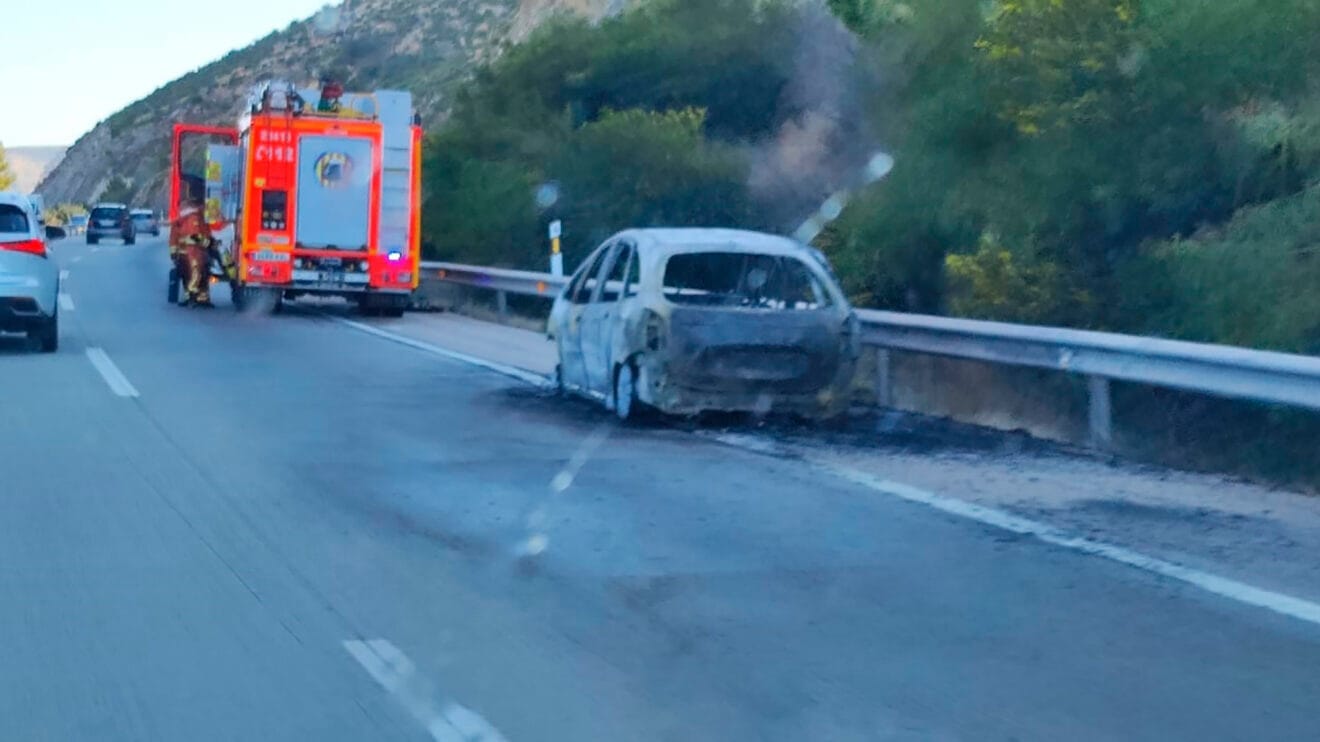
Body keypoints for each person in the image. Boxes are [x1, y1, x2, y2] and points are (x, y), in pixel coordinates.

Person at [169, 197, 215, 308]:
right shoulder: (194, 218)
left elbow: (173, 238)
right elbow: (195, 237)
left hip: (184, 254)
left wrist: (174, 253)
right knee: (198, 275)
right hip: (194, 252)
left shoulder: (180, 220)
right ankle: (195, 297)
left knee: (189, 276)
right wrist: (209, 244)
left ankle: (194, 297)